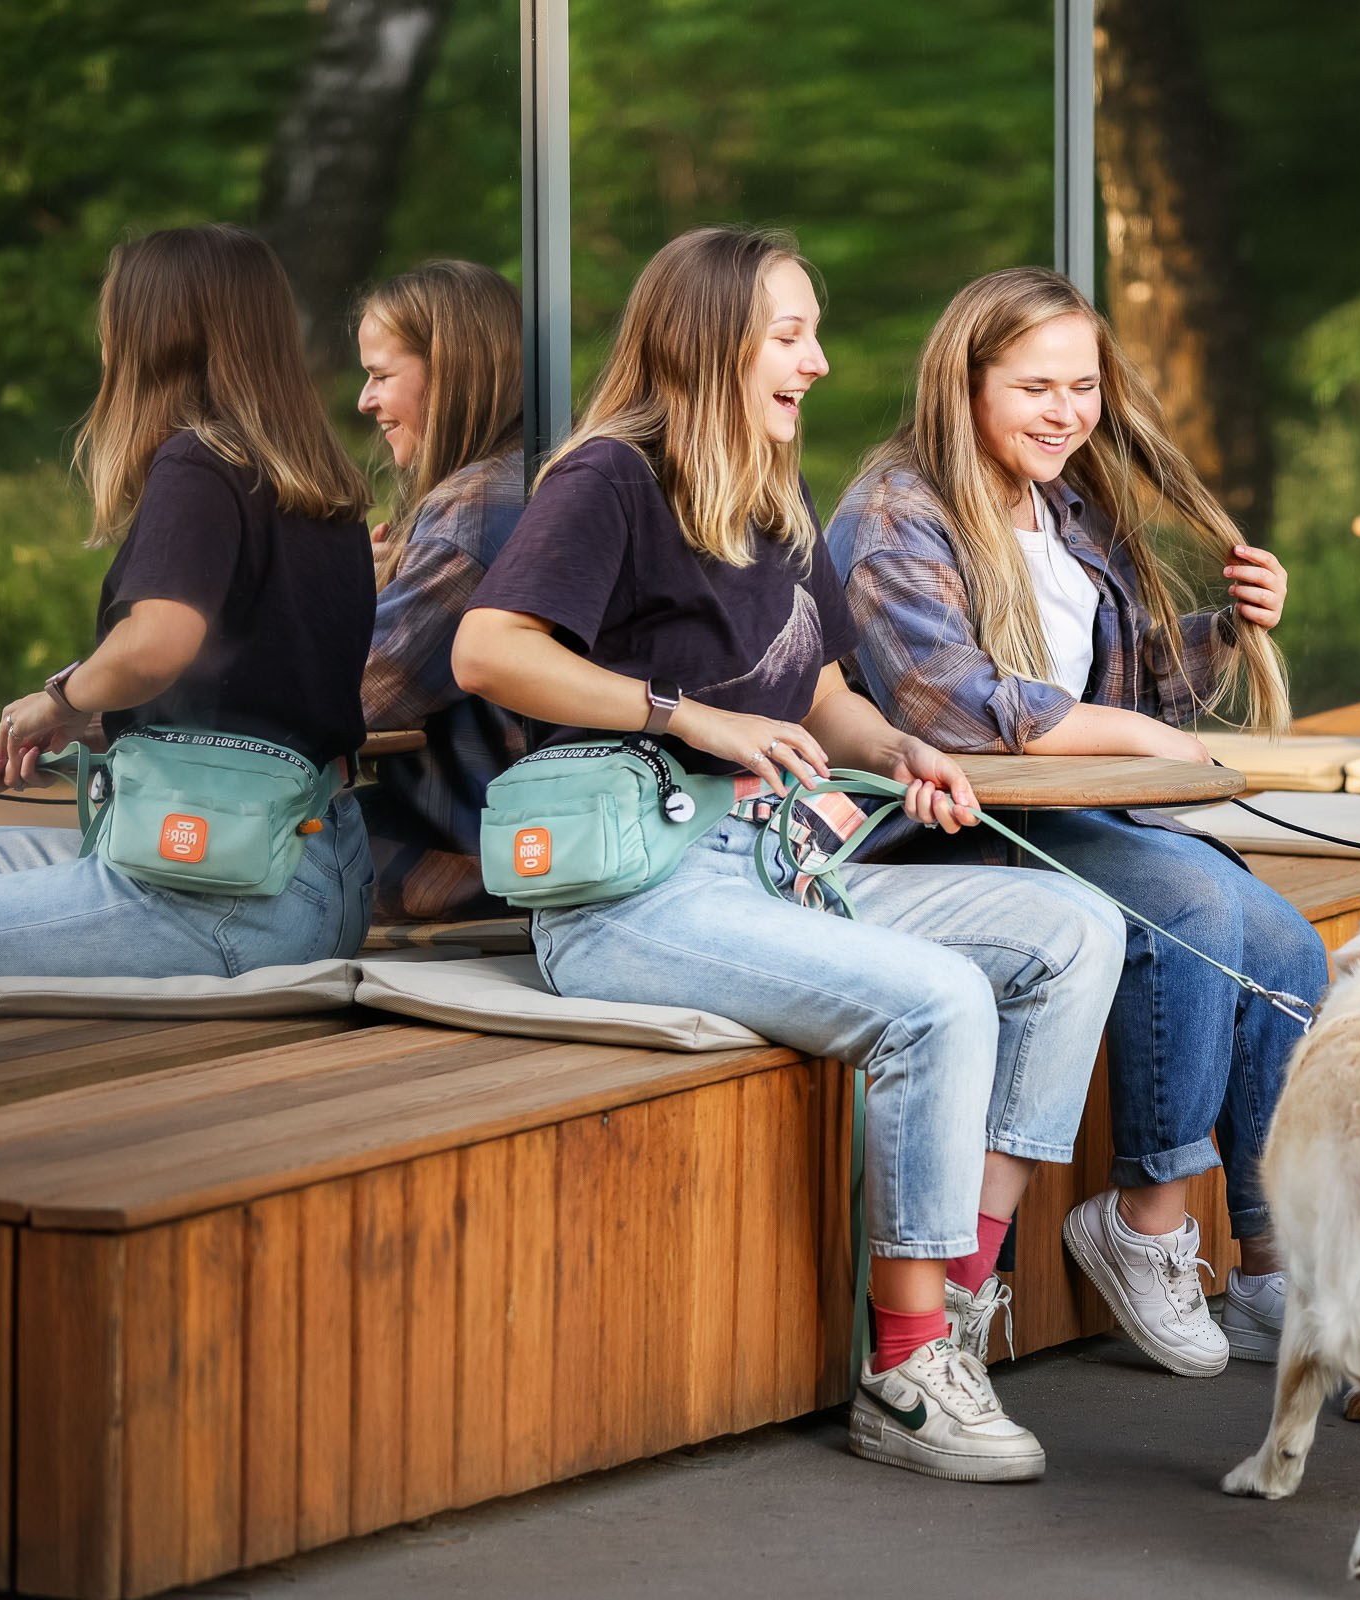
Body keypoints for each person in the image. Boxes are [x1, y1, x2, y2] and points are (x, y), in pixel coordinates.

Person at [453, 227, 1123, 1483]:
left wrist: (901, 750)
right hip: (629, 892)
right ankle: (904, 1366)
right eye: (790, 332)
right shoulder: (609, 477)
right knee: (938, 995)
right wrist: (678, 712)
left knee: (1077, 925)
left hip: (775, 862)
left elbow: (818, 686)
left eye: (812, 331)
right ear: (710, 340)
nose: (816, 362)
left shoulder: (767, 489)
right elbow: (489, 650)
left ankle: (965, 1298)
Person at [826, 266, 1327, 1378]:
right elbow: (949, 708)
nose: (1067, 413)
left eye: (1084, 386)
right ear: (963, 384)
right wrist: (1144, 741)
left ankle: (1265, 1264)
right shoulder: (894, 513)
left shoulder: (1061, 507)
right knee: (1191, 900)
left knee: (1290, 943)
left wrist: (1225, 631)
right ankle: (1143, 1223)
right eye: (1036, 387)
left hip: (1066, 809)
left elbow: (1129, 688)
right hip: (945, 826)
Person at [0, 224, 376, 975]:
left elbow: (158, 641)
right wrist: (101, 719)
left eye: (113, 321)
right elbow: (257, 698)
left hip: (228, 893)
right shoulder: (316, 489)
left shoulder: (197, 460)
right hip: (316, 871)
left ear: (148, 337)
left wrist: (59, 698)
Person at [354, 259, 532, 921]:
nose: (364, 401)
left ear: (450, 372)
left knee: (224, 854)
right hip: (514, 839)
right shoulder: (540, 472)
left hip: (475, 862)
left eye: (379, 376)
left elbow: (361, 694)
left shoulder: (476, 512)